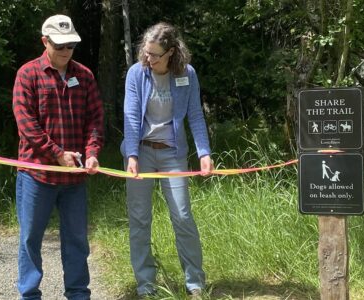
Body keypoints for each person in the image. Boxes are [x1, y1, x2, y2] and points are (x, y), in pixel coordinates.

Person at [12, 14, 104, 300]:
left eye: (71, 46)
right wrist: (56, 154)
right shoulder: (28, 74)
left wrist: (91, 154)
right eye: (60, 45)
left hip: (74, 179)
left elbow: (95, 120)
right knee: (30, 239)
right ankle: (29, 295)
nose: (66, 51)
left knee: (77, 240)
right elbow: (26, 124)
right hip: (36, 176)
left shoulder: (85, 76)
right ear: (45, 41)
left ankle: (78, 294)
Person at [121, 22, 213, 298]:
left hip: (173, 153)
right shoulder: (136, 73)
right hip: (142, 151)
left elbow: (195, 115)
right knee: (139, 218)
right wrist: (132, 155)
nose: (148, 59)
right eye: (146, 52)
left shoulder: (187, 74)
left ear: (171, 52)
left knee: (183, 215)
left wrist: (204, 153)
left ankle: (195, 283)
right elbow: (131, 117)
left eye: (154, 54)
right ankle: (146, 284)